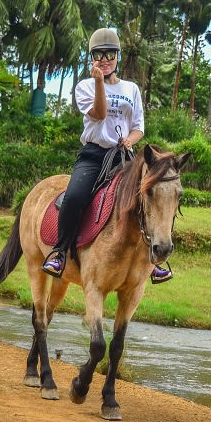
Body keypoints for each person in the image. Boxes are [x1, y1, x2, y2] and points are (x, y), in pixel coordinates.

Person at [41, 28, 173, 284]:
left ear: (117, 56)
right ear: (91, 58)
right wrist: (100, 82)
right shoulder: (85, 86)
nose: (104, 59)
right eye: (98, 54)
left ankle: (154, 260)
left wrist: (130, 140)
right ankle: (60, 251)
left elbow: (138, 127)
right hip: (94, 155)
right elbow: (100, 114)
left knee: (149, 198)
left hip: (124, 157)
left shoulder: (131, 88)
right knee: (76, 196)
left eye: (109, 54)